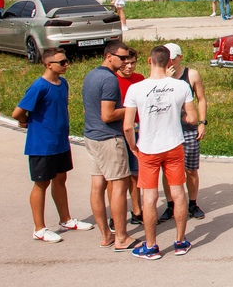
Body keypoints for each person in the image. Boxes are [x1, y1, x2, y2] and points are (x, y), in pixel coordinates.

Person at [123, 45, 198, 260]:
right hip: (173, 144)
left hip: (148, 147)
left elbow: (128, 126)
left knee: (150, 196)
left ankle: (151, 245)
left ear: (149, 61)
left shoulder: (136, 89)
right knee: (177, 192)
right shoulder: (180, 86)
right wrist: (178, 117)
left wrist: (132, 146)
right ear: (169, 63)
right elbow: (192, 119)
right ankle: (181, 241)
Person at [12, 48, 94, 243]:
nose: (66, 65)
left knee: (60, 180)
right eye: (62, 62)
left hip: (60, 142)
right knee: (41, 183)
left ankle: (65, 219)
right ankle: (39, 228)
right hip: (42, 144)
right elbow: (18, 112)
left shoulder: (62, 83)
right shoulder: (39, 87)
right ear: (49, 64)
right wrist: (25, 121)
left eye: (66, 61)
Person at [83, 41, 135, 251]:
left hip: (91, 137)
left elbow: (90, 110)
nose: (125, 62)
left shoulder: (91, 75)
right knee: (119, 187)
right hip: (109, 139)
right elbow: (108, 115)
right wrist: (130, 108)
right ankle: (122, 237)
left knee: (97, 186)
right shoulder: (109, 80)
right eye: (121, 58)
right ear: (109, 56)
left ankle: (106, 235)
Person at [158, 43, 208, 222]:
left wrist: (202, 123)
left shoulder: (191, 74)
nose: (169, 61)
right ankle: (171, 205)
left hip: (188, 129)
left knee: (191, 169)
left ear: (180, 57)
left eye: (173, 58)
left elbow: (201, 99)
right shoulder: (160, 75)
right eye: (167, 58)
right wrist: (166, 80)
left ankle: (192, 203)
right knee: (168, 170)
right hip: (167, 129)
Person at [114, 47, 144, 227]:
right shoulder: (112, 81)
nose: (129, 66)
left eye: (133, 63)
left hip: (138, 132)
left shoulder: (140, 79)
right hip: (118, 132)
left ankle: (137, 210)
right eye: (126, 63)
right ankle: (116, 215)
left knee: (135, 174)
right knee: (118, 177)